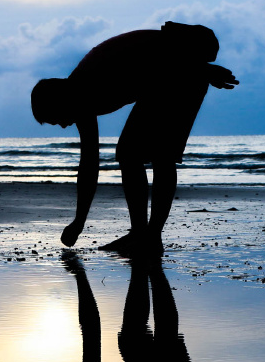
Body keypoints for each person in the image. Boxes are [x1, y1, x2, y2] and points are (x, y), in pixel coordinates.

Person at [30, 21, 237, 255]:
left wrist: (200, 69)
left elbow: (156, 55)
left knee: (159, 155)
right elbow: (89, 164)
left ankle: (149, 237)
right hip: (167, 76)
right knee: (130, 153)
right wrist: (79, 222)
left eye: (55, 118)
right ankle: (140, 233)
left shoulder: (92, 80)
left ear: (59, 100)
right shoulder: (81, 98)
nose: (63, 125)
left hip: (180, 68)